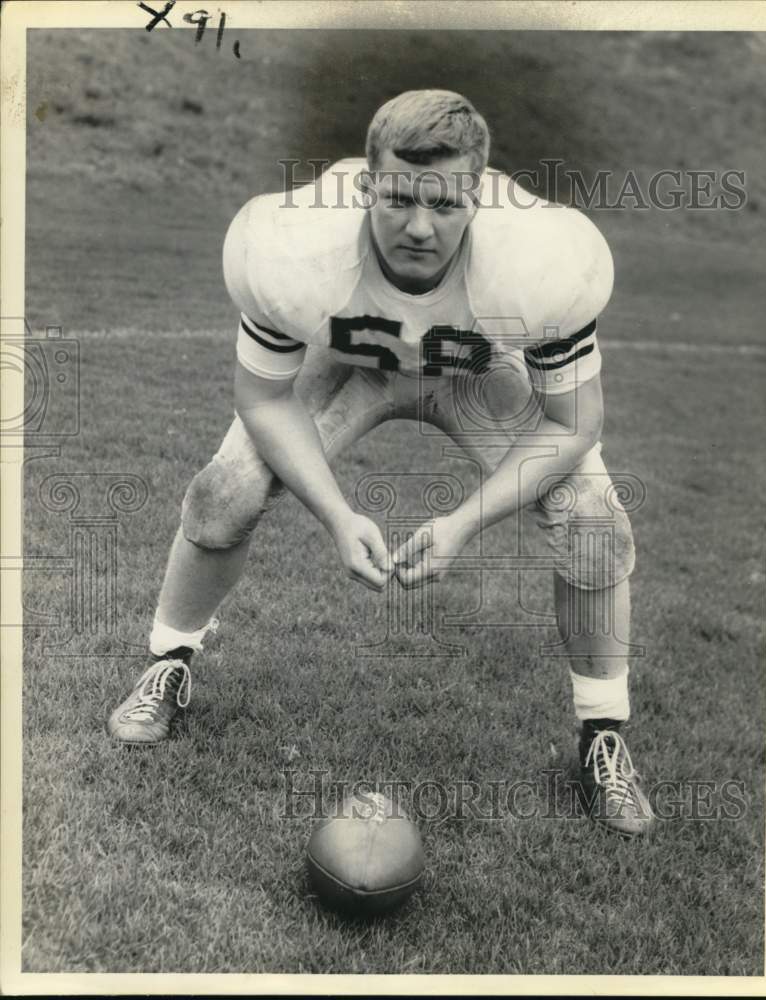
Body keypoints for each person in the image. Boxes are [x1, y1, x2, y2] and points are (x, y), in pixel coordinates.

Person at [108, 90, 653, 837]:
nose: (419, 228)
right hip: (348, 367)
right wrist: (336, 515)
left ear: (478, 199)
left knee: (596, 524)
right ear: (366, 185)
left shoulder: (541, 263)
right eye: (396, 199)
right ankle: (169, 662)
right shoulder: (293, 248)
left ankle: (602, 735)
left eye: (446, 205)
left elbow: (576, 420)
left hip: (475, 375)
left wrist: (463, 521)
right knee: (223, 491)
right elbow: (264, 400)